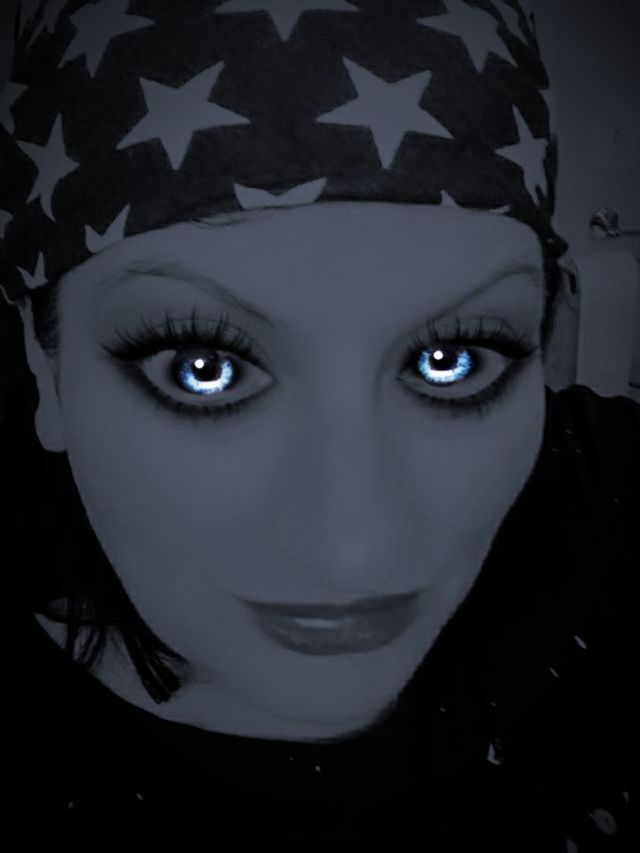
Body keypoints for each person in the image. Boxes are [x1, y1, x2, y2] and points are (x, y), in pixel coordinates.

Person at [0, 0, 636, 844]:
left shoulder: (601, 506)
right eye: (203, 367)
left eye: (452, 359)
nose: (352, 553)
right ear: (44, 365)